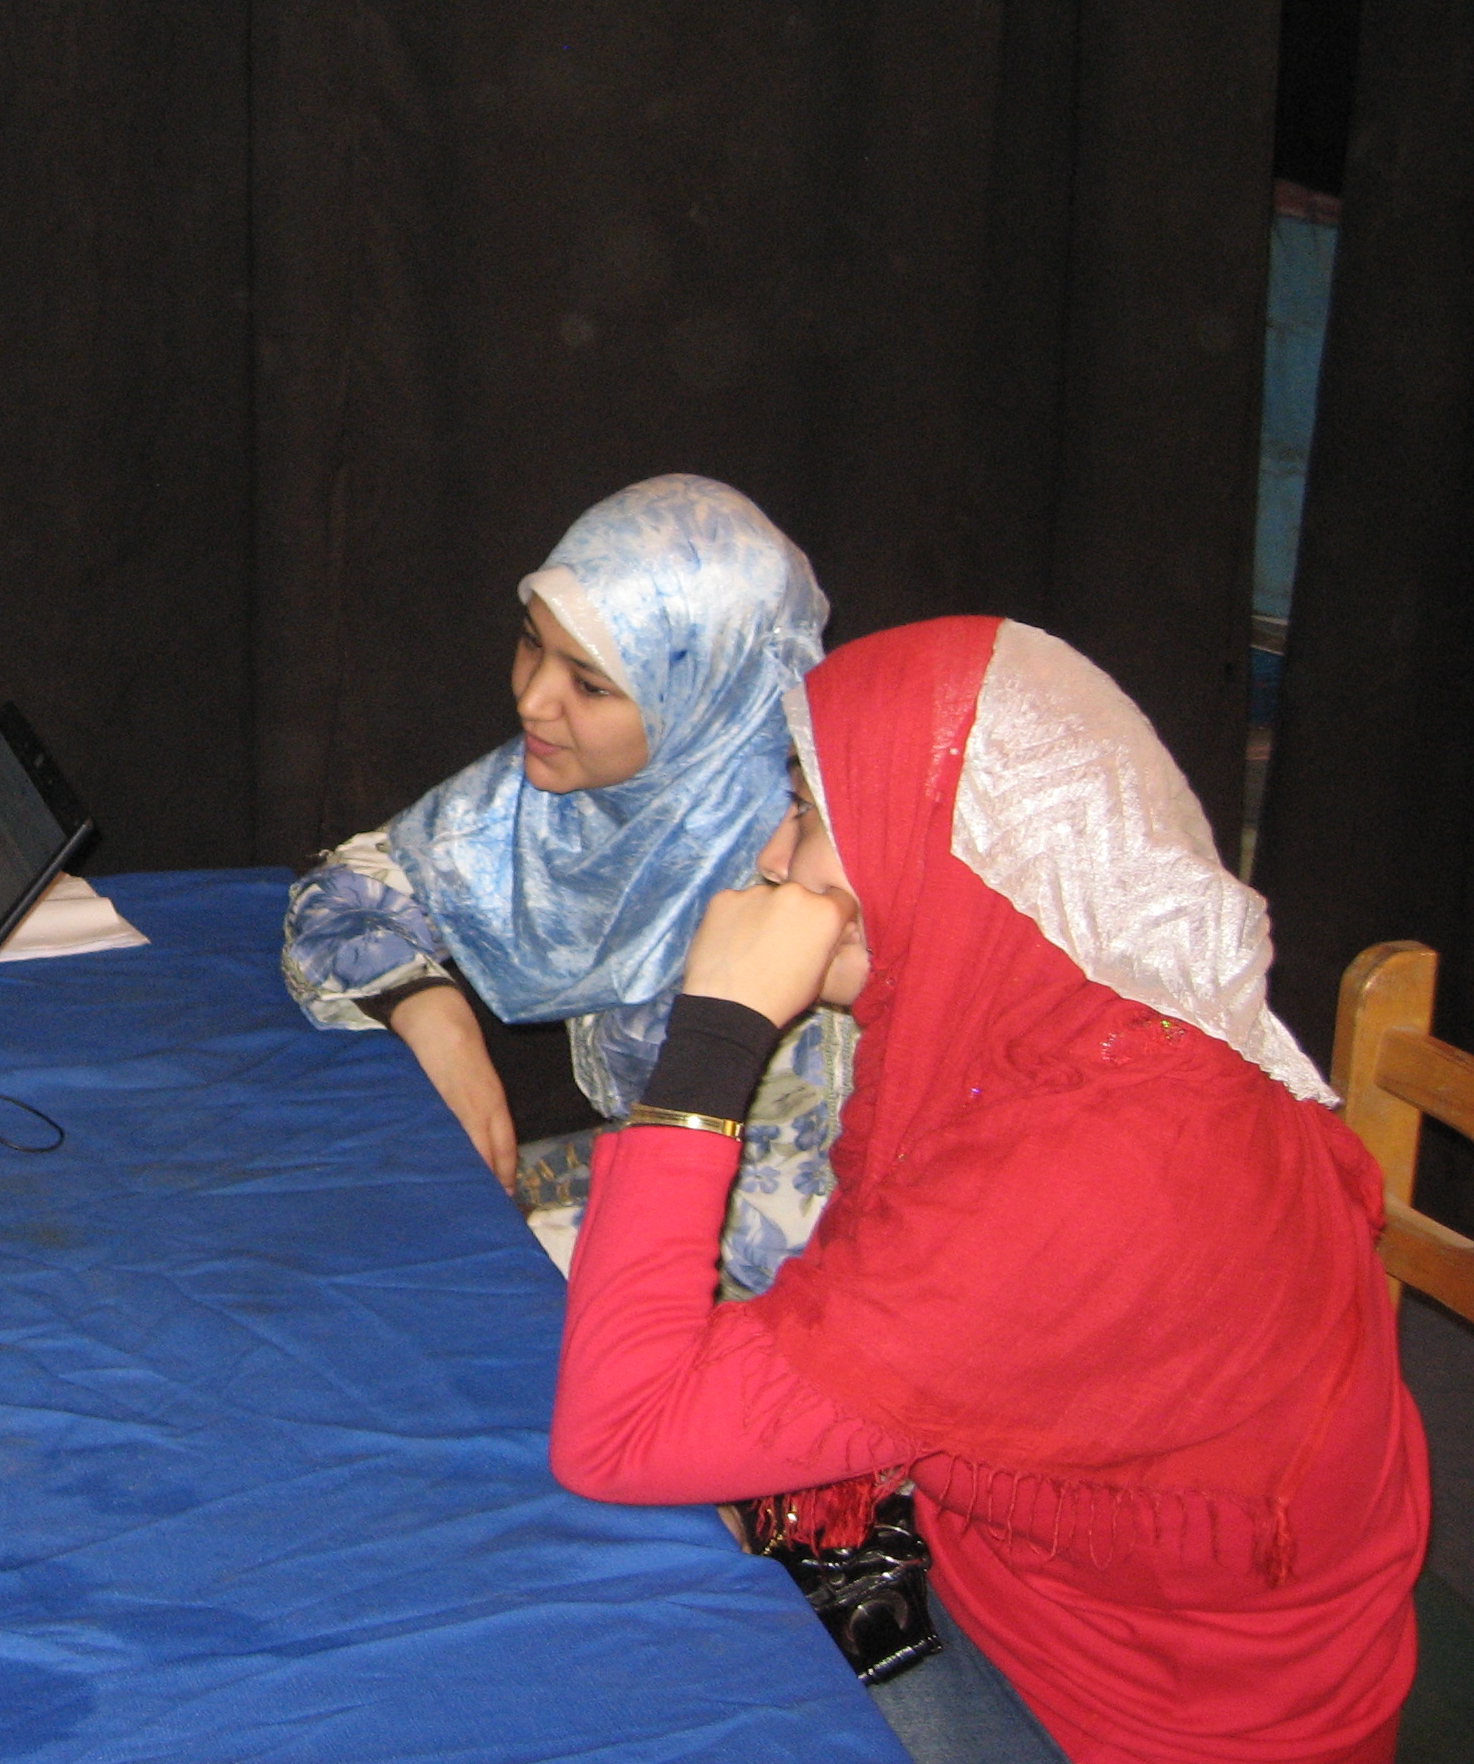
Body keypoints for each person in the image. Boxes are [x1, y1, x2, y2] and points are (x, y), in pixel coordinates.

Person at [552, 617, 1425, 1764]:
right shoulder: (1073, 1031)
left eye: (810, 811)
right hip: (1041, 1606)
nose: (771, 855)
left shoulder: (1094, 1172)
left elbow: (615, 1431)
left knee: (579, 1657)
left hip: (1131, 1724)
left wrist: (713, 1040)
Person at [282, 473, 843, 1292]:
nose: (533, 699)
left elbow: (775, 1235)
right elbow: (344, 894)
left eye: (590, 683)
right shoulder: (600, 786)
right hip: (656, 1199)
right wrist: (433, 1017)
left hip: (756, 1273)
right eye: (531, 642)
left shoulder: (806, 872)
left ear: (705, 698)